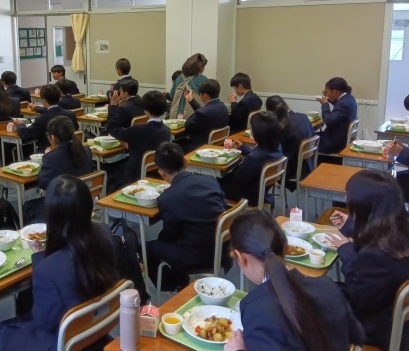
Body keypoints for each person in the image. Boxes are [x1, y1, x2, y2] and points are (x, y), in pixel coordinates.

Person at [0, 175, 118, 351]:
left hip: (64, 342)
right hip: (96, 330)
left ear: (51, 216)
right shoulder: (105, 233)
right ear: (89, 206)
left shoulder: (48, 269)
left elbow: (43, 322)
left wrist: (39, 258)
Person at [224, 210, 364, 351]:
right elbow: (355, 336)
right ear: (285, 248)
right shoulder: (327, 286)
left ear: (241, 258)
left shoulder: (255, 309)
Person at [327, 171, 409, 351]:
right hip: (392, 316)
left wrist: (345, 249)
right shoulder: (408, 231)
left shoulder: (375, 256)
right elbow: (375, 251)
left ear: (364, 205)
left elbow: (357, 297)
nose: (347, 200)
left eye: (349, 196)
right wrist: (351, 227)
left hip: (374, 328)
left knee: (309, 293)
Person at [147, 142, 226, 291]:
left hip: (197, 257)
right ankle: (179, 282)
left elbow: (170, 234)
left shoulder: (167, 198)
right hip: (222, 250)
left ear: (161, 172)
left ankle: (172, 286)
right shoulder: (211, 180)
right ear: (185, 162)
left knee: (146, 248)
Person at [107, 90, 171, 186]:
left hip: (135, 175)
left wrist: (112, 106)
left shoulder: (138, 130)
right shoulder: (166, 130)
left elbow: (112, 129)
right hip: (157, 172)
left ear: (145, 111)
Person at [219, 111, 283, 207]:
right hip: (261, 192)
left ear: (258, 132)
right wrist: (244, 148)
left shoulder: (253, 158)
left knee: (215, 180)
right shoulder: (277, 147)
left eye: (251, 128)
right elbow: (258, 161)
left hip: (247, 196)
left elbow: (238, 179)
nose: (250, 130)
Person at [265, 95, 315, 189]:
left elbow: (273, 148)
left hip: (291, 169)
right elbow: (313, 134)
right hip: (307, 164)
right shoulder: (303, 116)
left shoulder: (282, 125)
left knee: (259, 165)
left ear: (270, 112)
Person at [15, 84, 78, 153]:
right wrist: (36, 108)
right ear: (59, 98)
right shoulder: (71, 114)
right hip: (71, 150)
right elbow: (76, 128)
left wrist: (20, 124)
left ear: (44, 101)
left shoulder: (42, 119)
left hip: (47, 151)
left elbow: (26, 135)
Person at [36, 116, 94, 191]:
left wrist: (50, 154)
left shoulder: (51, 158)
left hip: (66, 196)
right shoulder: (87, 150)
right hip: (86, 194)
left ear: (52, 137)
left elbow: (42, 183)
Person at [182, 79, 229, 152]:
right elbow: (204, 112)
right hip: (219, 145)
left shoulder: (202, 112)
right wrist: (191, 100)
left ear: (205, 95)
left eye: (200, 94)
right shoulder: (223, 107)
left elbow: (187, 127)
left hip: (202, 147)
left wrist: (196, 112)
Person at [317, 77, 357, 154]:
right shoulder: (349, 98)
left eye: (327, 92)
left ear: (335, 92)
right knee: (309, 135)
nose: (325, 94)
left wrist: (325, 104)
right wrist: (328, 99)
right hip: (339, 138)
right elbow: (338, 105)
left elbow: (329, 121)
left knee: (304, 139)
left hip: (334, 143)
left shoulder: (344, 104)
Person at [169, 53, 208, 119]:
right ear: (200, 68)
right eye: (203, 66)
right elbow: (208, 100)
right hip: (192, 117)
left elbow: (171, 96)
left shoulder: (179, 78)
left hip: (176, 116)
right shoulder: (202, 79)